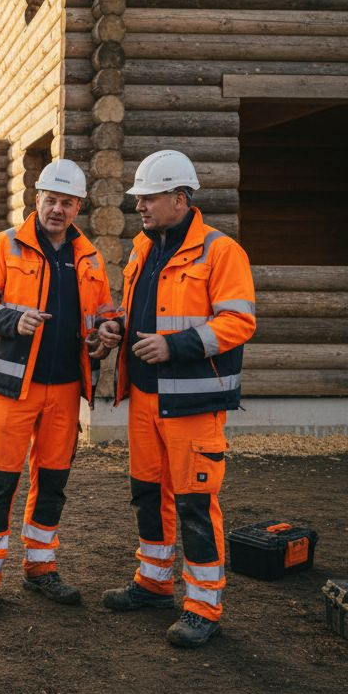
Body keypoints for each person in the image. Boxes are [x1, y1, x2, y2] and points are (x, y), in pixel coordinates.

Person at [95, 149, 256, 647]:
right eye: (137, 198)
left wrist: (173, 345)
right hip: (145, 398)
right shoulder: (146, 248)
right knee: (149, 495)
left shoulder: (221, 251)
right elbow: (143, 310)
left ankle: (203, 608)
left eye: (148, 197)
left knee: (194, 504)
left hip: (192, 404)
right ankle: (153, 583)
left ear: (180, 199)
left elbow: (238, 322)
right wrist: (116, 327)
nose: (138, 206)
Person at [0, 158, 117, 618]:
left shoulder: (88, 256)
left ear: (78, 207)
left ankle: (41, 567)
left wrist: (107, 333)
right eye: (51, 200)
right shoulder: (3, 246)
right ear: (37, 200)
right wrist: (11, 319)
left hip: (67, 388)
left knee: (52, 483)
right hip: (14, 387)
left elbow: (104, 311)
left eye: (67, 203)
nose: (57, 209)